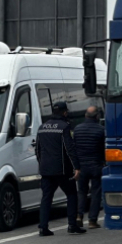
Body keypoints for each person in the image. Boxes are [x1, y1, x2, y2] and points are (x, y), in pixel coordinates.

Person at [36, 101, 85, 236]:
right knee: (71, 195)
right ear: (64, 112)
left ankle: (43, 228)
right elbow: (70, 149)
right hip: (62, 170)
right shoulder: (64, 127)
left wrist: (42, 165)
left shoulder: (42, 127)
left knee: (46, 198)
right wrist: (77, 167)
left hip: (46, 170)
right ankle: (72, 225)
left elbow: (38, 150)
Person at [74, 107, 106, 229]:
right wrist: (103, 162)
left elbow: (74, 148)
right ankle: (92, 220)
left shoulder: (77, 129)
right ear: (97, 117)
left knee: (81, 192)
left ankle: (79, 215)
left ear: (86, 116)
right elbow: (103, 148)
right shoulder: (101, 130)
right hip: (96, 165)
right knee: (96, 193)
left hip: (81, 166)